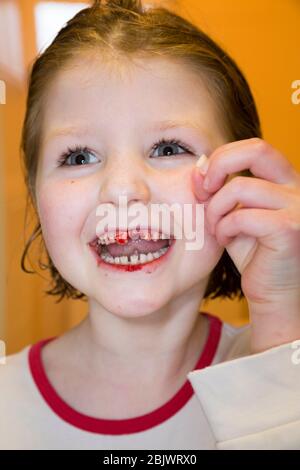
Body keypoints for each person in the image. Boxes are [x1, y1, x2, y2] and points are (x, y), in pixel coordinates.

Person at [0, 0, 299, 450]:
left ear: (239, 179)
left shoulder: (286, 363)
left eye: (167, 148)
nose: (122, 189)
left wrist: (282, 320)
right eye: (78, 157)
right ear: (36, 193)